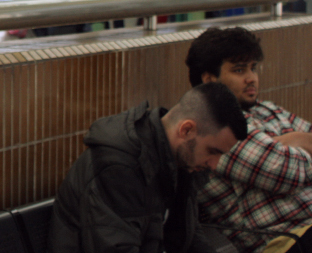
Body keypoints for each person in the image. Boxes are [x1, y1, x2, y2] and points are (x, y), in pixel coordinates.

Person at [49, 83, 247, 253]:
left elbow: (188, 237)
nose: (214, 164)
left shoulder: (180, 162)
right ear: (186, 130)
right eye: (213, 151)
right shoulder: (119, 167)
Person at [185, 27, 312, 253]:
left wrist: (287, 142)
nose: (251, 78)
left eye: (253, 68)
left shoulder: (266, 109)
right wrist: (300, 143)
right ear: (210, 79)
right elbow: (283, 172)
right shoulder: (211, 124)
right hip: (286, 240)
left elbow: (282, 161)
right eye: (239, 70)